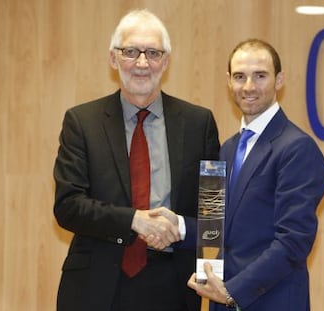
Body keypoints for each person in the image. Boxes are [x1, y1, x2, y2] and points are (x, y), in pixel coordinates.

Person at [53, 8, 220, 311]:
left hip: (173, 287)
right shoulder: (82, 122)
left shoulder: (199, 124)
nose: (142, 63)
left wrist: (178, 227)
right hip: (95, 287)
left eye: (153, 53)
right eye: (131, 51)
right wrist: (135, 221)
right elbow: (68, 206)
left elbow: (213, 214)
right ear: (113, 59)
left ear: (166, 62)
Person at [188, 39, 324, 311]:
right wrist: (177, 226)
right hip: (223, 300)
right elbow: (219, 226)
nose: (249, 87)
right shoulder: (228, 148)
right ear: (229, 81)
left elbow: (293, 241)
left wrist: (232, 291)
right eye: (240, 77)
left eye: (260, 76)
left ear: (279, 80)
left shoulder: (297, 148)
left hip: (271, 302)